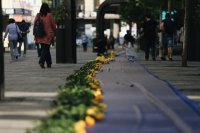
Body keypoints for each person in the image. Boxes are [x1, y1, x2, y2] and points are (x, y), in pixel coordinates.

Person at [34, 3, 56, 68]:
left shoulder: (38, 15)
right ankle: (41, 61)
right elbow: (53, 25)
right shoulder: (49, 15)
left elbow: (35, 24)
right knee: (46, 48)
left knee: (45, 48)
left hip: (40, 34)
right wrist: (55, 31)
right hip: (48, 34)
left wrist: (35, 34)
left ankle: (49, 63)